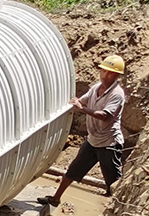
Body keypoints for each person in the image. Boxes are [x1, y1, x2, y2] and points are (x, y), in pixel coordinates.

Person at [43, 53, 127, 206]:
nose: (105, 75)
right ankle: (56, 198)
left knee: (112, 181)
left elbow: (105, 116)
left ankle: (111, 209)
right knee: (73, 170)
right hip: (93, 140)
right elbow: (80, 102)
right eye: (103, 71)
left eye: (110, 73)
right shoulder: (96, 88)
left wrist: (82, 109)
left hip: (109, 143)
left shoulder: (117, 94)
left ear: (116, 76)